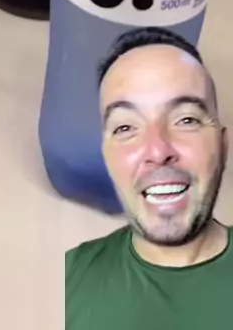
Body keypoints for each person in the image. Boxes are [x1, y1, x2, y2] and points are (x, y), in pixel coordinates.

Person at [65, 26, 233, 329]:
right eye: (125, 128)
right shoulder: (66, 278)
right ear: (106, 156)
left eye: (186, 120)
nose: (157, 150)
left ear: (223, 145)